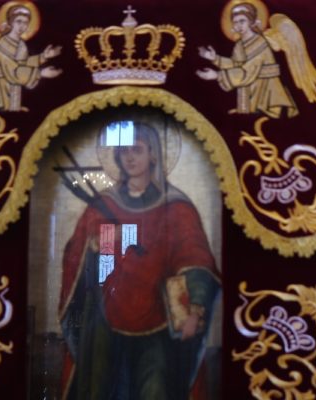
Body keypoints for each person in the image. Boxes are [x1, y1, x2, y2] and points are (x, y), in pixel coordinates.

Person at [58, 121, 220, 399]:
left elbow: (196, 260)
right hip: (107, 318)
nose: (130, 157)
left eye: (137, 150)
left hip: (159, 320)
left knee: (155, 390)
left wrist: (194, 310)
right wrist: (106, 241)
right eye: (124, 151)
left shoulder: (176, 207)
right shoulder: (104, 205)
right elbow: (97, 269)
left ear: (153, 154)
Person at [197, 3, 297, 118]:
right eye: (235, 22)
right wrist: (215, 58)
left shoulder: (259, 42)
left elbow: (247, 72)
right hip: (251, 93)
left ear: (251, 21)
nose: (238, 25)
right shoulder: (239, 45)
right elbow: (235, 64)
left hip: (268, 97)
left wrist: (217, 75)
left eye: (242, 21)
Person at [0, 5, 61, 117]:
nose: (22, 26)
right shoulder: (4, 43)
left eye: (25, 23)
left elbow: (22, 63)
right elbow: (12, 71)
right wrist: (40, 73)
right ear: (11, 22)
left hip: (9, 92)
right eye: (18, 21)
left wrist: (44, 56)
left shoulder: (21, 44)